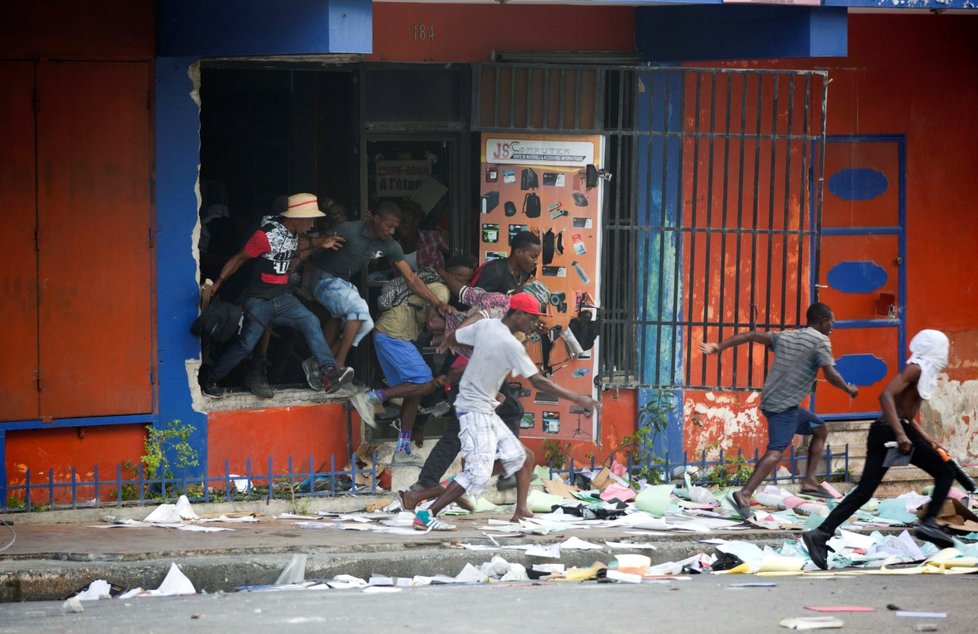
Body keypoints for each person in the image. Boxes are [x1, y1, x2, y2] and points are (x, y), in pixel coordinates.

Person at [397, 292, 599, 530]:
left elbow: (456, 336)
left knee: (522, 457)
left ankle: (521, 511)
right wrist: (577, 397)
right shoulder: (511, 344)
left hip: (484, 407)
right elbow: (539, 382)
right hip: (474, 409)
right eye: (532, 318)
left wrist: (450, 344)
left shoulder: (487, 325)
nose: (535, 324)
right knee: (477, 474)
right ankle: (426, 513)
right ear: (519, 314)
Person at [801, 330, 955, 569]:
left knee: (865, 491)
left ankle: (820, 534)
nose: (946, 353)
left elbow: (907, 413)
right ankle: (929, 523)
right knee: (945, 473)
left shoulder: (926, 372)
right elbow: (886, 397)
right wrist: (901, 434)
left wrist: (929, 440)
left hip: (895, 430)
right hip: (890, 432)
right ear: (933, 348)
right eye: (944, 347)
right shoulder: (916, 367)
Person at [409, 231, 542, 493]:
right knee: (466, 425)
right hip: (466, 362)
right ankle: (429, 483)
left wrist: (441, 271)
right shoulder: (496, 286)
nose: (535, 261)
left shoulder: (517, 281)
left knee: (508, 411)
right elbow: (477, 311)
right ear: (517, 252)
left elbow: (467, 293)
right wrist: (454, 336)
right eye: (532, 255)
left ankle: (502, 469)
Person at [699, 302, 859, 519]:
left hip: (777, 402)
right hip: (783, 408)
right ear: (822, 321)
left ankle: (809, 481)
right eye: (831, 321)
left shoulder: (788, 336)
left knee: (819, 428)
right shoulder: (821, 340)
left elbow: (751, 336)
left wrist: (719, 346)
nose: (833, 326)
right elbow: (830, 374)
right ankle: (745, 494)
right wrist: (848, 388)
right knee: (776, 451)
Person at [199, 193, 351, 397]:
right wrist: (217, 283)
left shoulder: (294, 233)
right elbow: (239, 259)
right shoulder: (265, 235)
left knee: (311, 321)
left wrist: (318, 244)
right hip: (259, 300)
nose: (313, 224)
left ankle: (328, 373)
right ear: (296, 217)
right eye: (310, 219)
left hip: (283, 298)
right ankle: (211, 378)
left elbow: (298, 249)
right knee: (245, 345)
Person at [301, 200, 454, 380]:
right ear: (375, 218)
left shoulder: (390, 245)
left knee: (366, 324)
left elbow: (412, 278)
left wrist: (438, 303)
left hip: (341, 283)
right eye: (388, 226)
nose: (391, 232)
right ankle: (338, 366)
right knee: (359, 310)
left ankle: (320, 362)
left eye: (394, 228)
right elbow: (310, 247)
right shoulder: (349, 230)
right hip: (322, 278)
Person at [352, 256, 476, 456]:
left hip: (389, 333)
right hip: (394, 334)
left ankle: (403, 447)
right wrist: (471, 328)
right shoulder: (442, 290)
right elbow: (433, 324)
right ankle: (368, 397)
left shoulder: (430, 281)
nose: (466, 285)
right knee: (425, 383)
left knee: (414, 392)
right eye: (463, 279)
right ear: (453, 276)